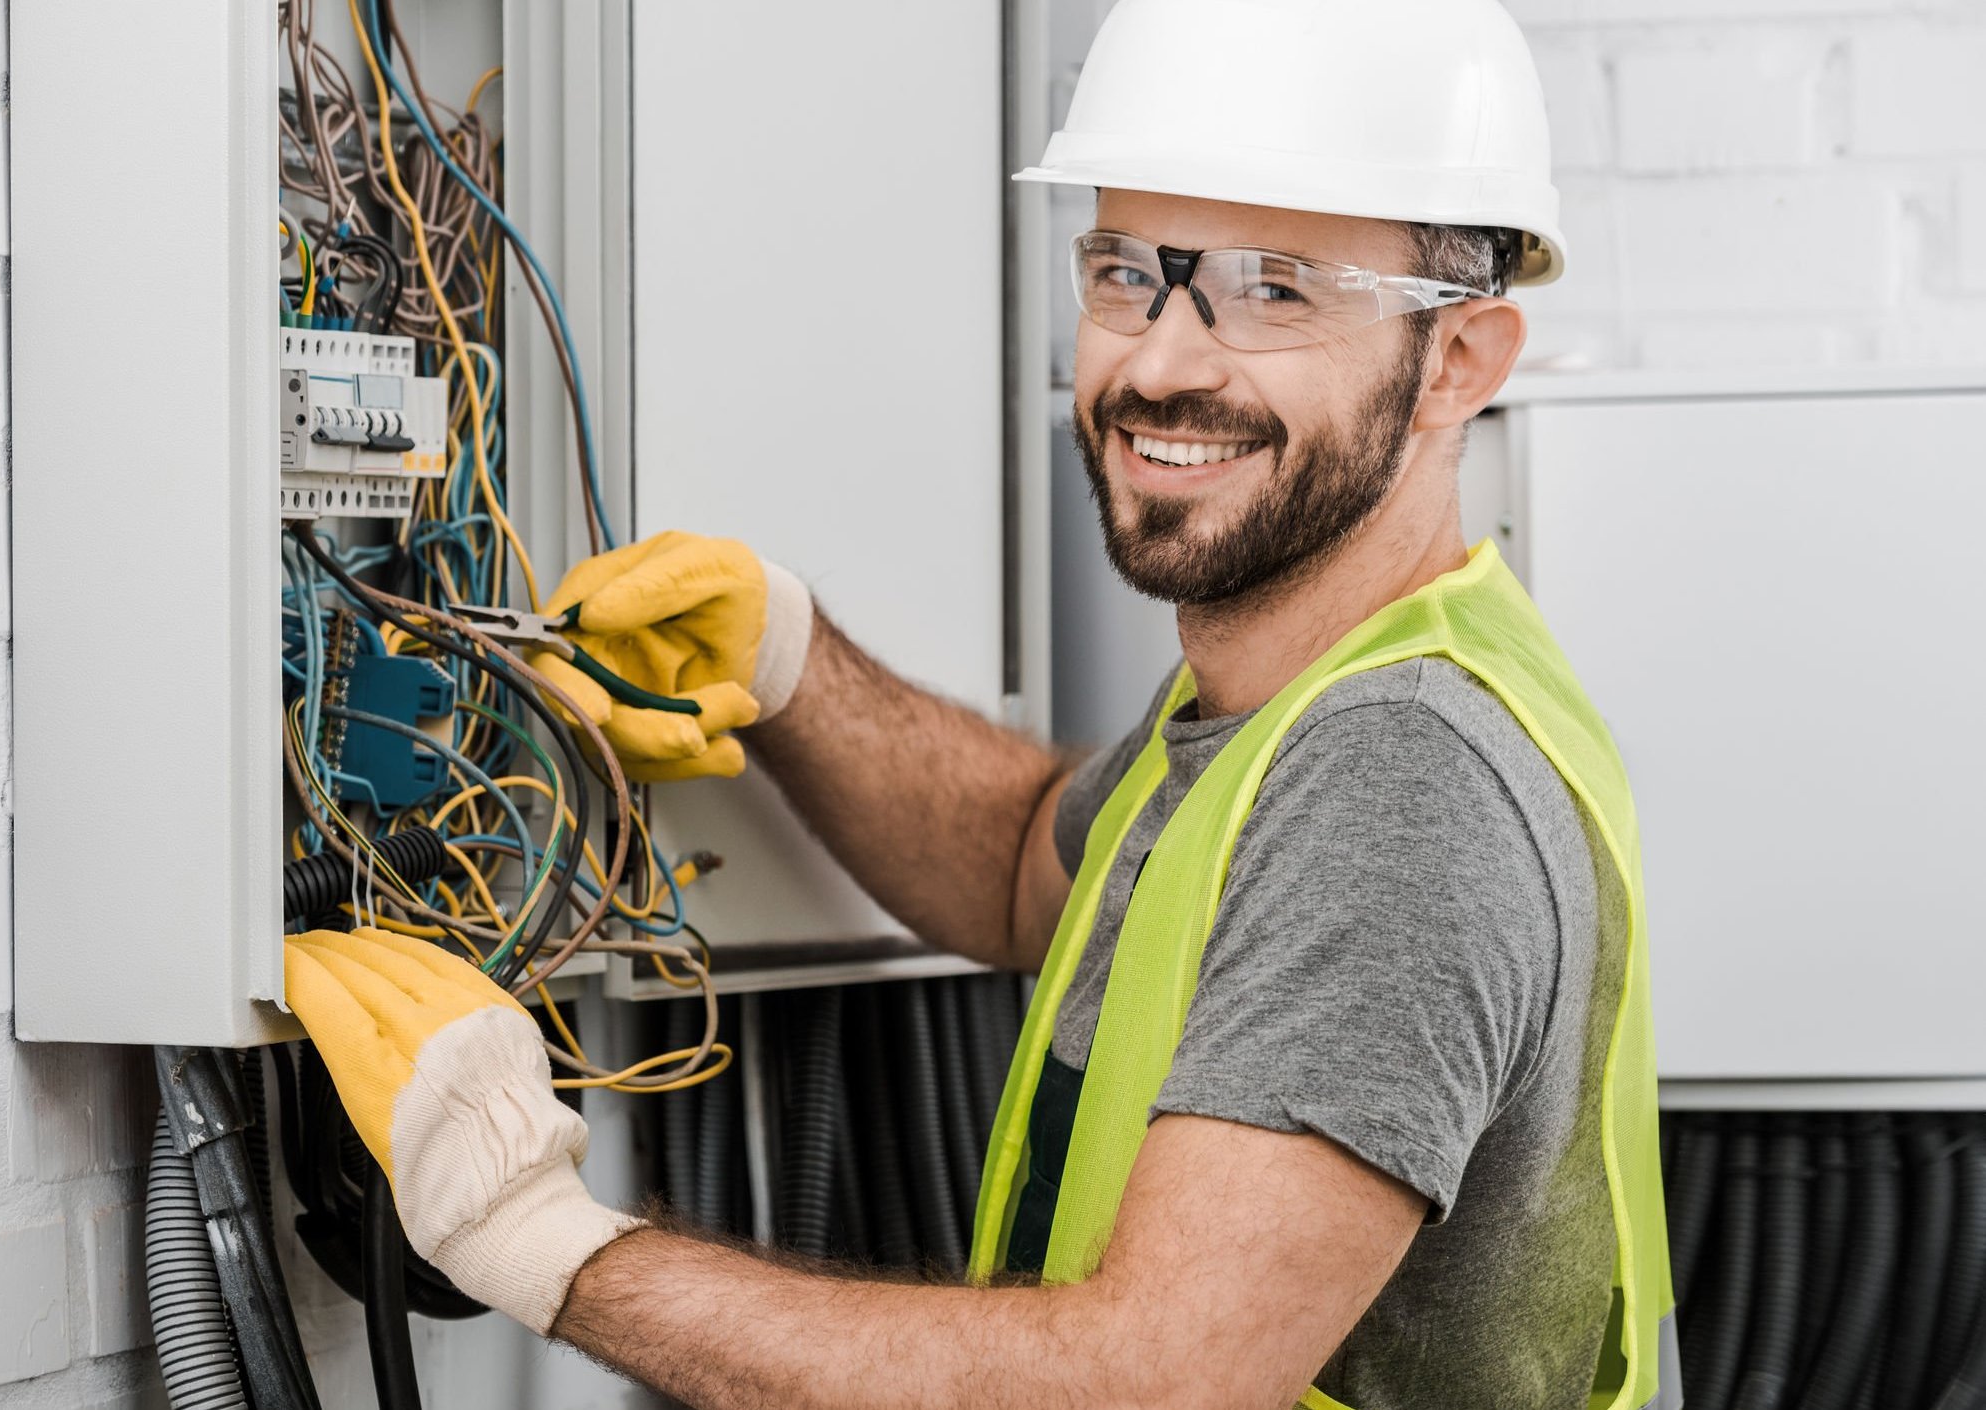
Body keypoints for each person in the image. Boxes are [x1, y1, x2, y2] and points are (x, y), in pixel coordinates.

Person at [285, 0, 1677, 1405]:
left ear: (1460, 362)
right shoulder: (1293, 701)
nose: (1159, 362)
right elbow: (1030, 865)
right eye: (1130, 271)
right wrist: (790, 662)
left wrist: (540, 1241)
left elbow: (1143, 1387)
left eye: (1277, 288)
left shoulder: (1395, 780)